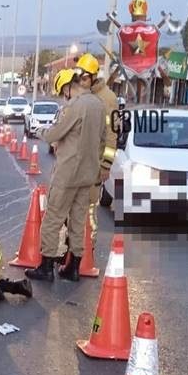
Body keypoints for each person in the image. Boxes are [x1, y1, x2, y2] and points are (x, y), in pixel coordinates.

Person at [28, 68, 106, 282]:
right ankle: (74, 268)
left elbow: (56, 133)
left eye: (63, 93)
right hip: (88, 174)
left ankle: (46, 267)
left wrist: (39, 132)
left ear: (67, 87)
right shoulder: (99, 105)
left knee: (53, 218)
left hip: (68, 173)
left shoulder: (75, 106)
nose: (65, 97)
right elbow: (102, 139)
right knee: (78, 221)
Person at [77, 53, 118, 250]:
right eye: (80, 78)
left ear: (93, 76)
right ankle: (73, 248)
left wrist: (106, 164)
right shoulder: (83, 95)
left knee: (89, 207)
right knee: (74, 208)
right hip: (78, 162)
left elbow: (112, 135)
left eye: (85, 78)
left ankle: (87, 249)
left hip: (95, 163)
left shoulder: (108, 99)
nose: (82, 82)